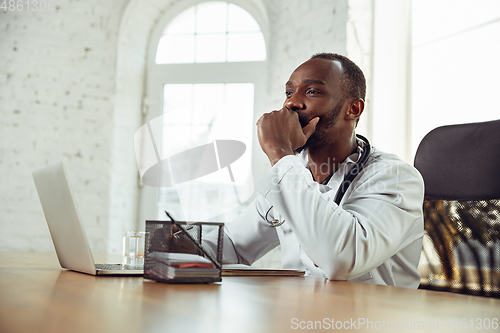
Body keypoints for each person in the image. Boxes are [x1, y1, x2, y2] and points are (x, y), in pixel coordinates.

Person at [180, 53, 424, 288]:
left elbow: (342, 260)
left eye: (312, 91)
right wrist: (180, 245)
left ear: (354, 109)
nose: (291, 102)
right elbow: (235, 244)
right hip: (301, 316)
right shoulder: (294, 170)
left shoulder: (394, 177)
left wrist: (278, 152)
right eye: (289, 92)